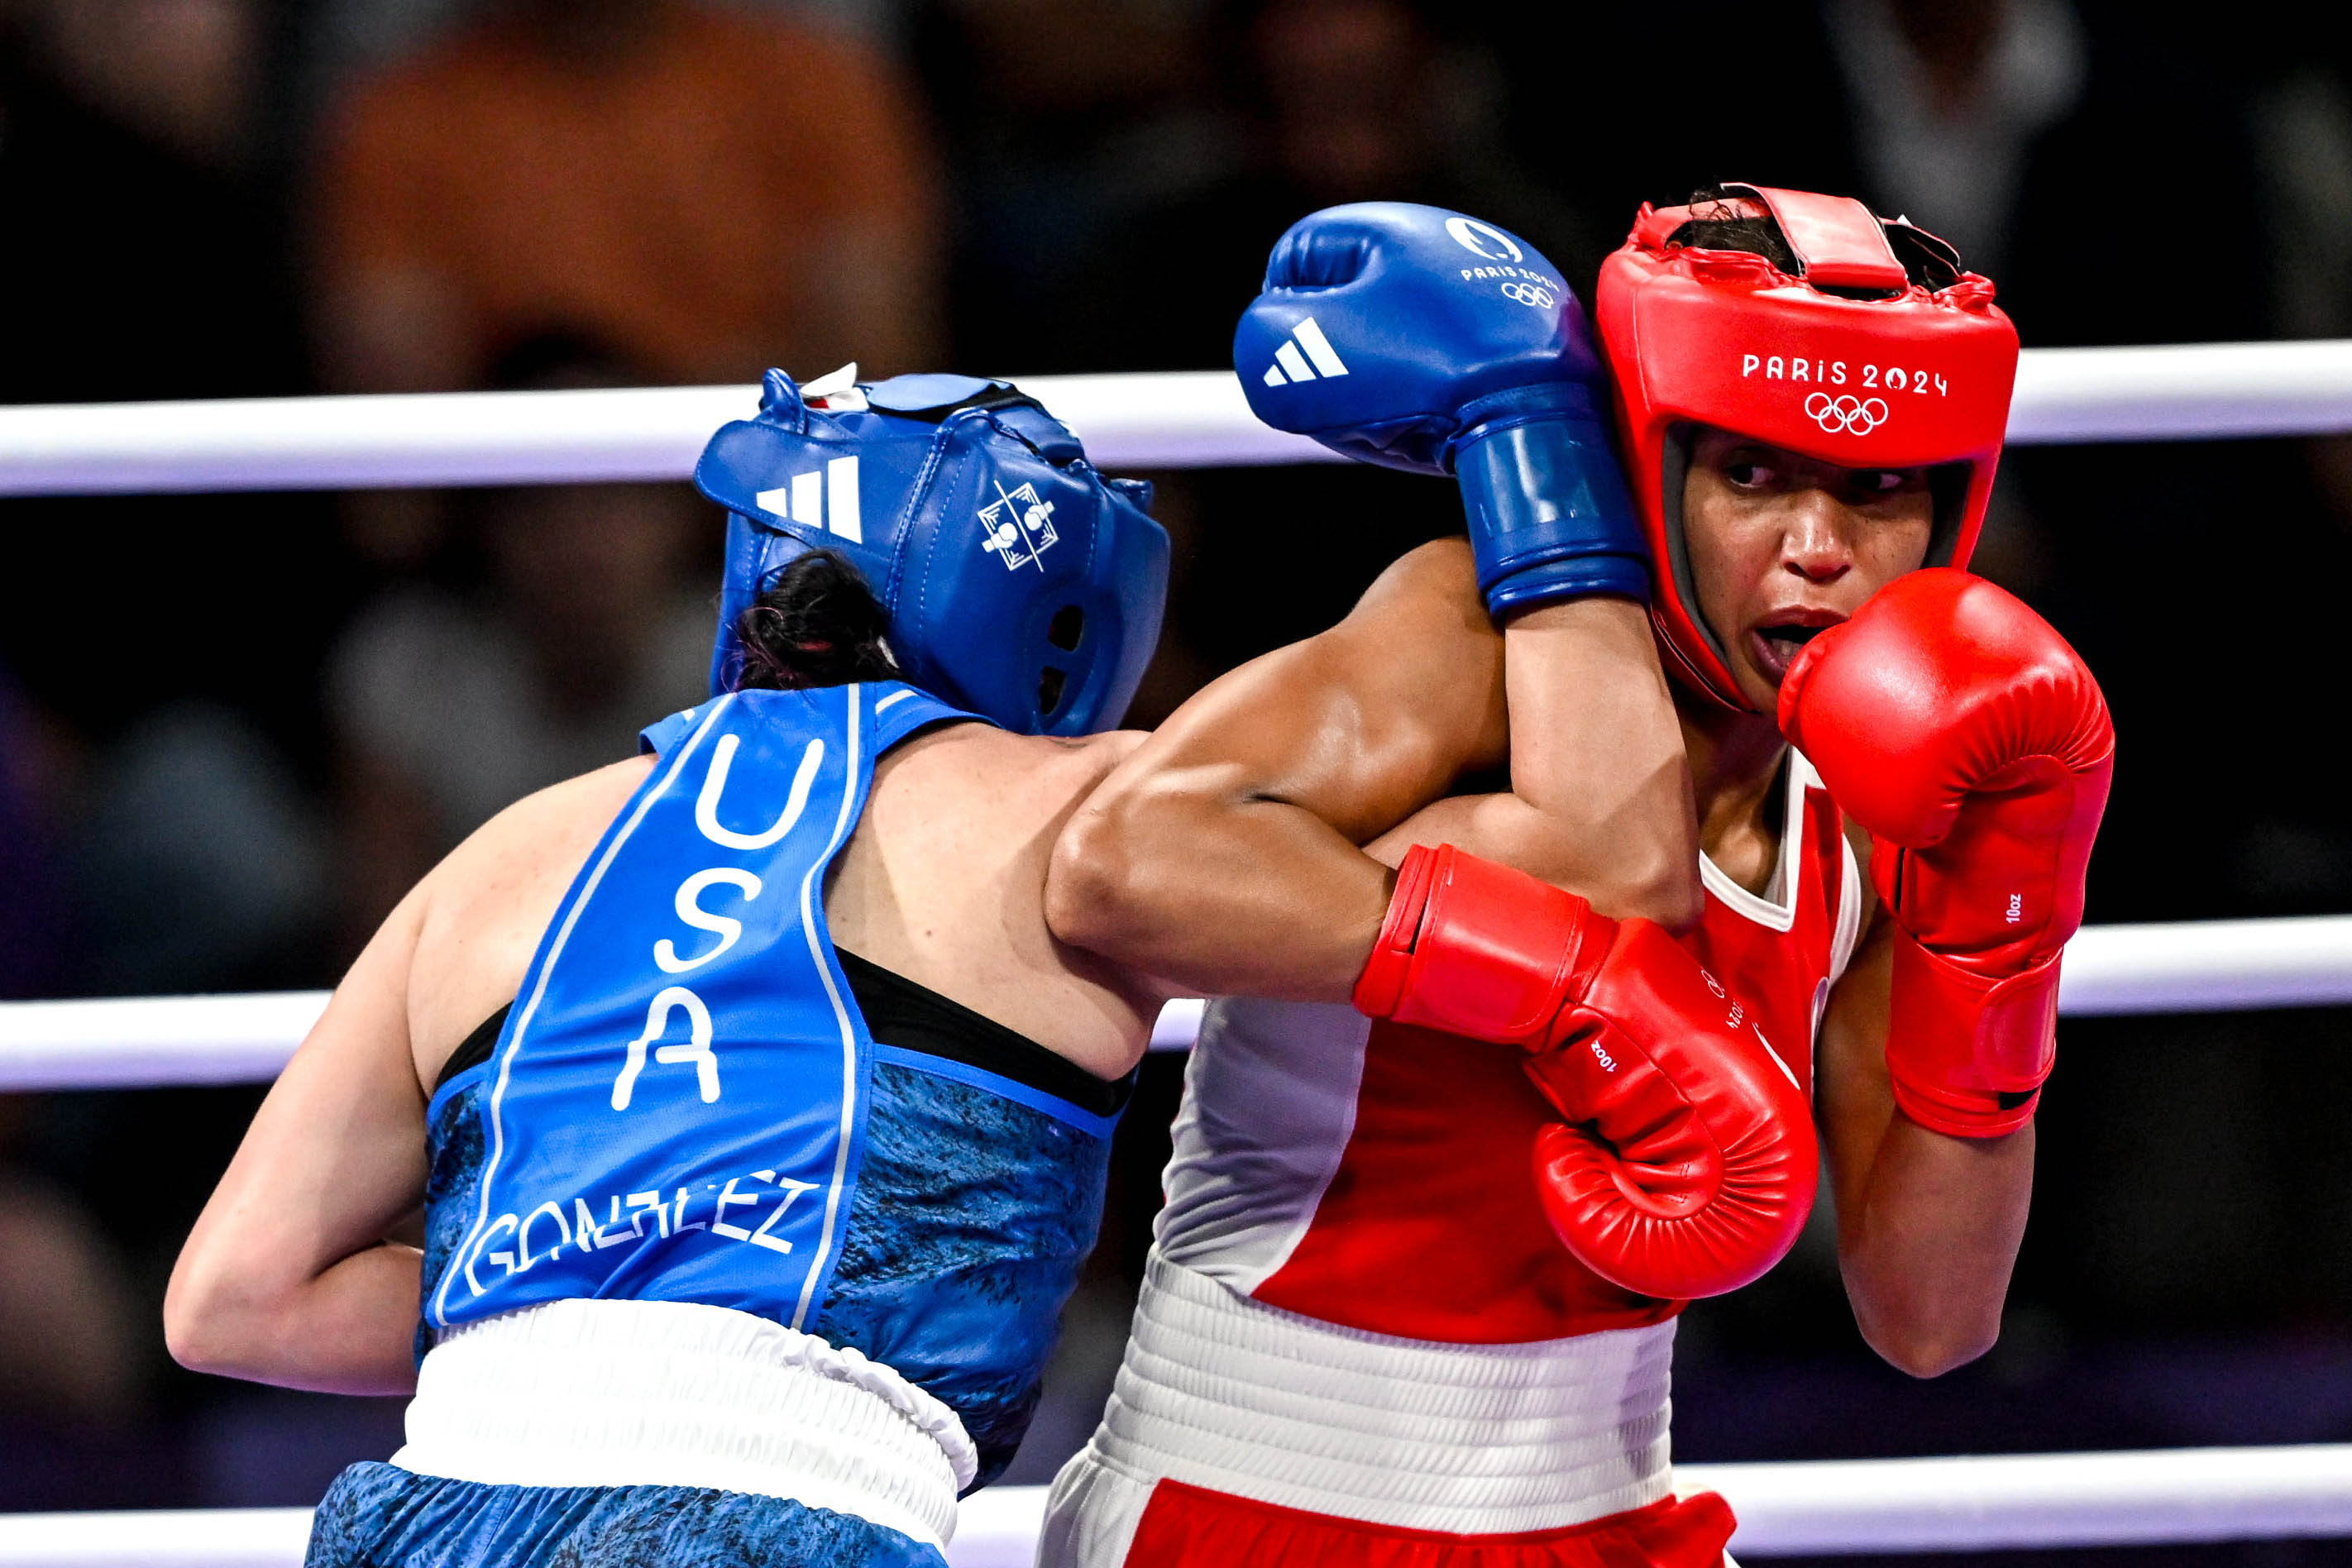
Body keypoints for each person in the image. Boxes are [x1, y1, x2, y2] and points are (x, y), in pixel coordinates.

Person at [165, 343, 1747, 1565]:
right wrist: (1535, 451)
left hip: (431, 1510)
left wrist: (612, 1251)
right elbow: (1608, 867)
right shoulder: (1100, 811)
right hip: (791, 1516)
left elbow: (234, 1301)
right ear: (1062, 609)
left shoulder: (497, 855)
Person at [1041, 186, 2113, 1565]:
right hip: (1267, 1504)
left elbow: (1930, 1317)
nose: (1818, 549)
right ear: (1651, 469)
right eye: (1753, 475)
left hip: (1613, 1516)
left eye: (1878, 488)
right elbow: (1120, 862)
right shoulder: (1465, 632)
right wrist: (1561, 976)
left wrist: (2006, 922)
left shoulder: (1891, 792)